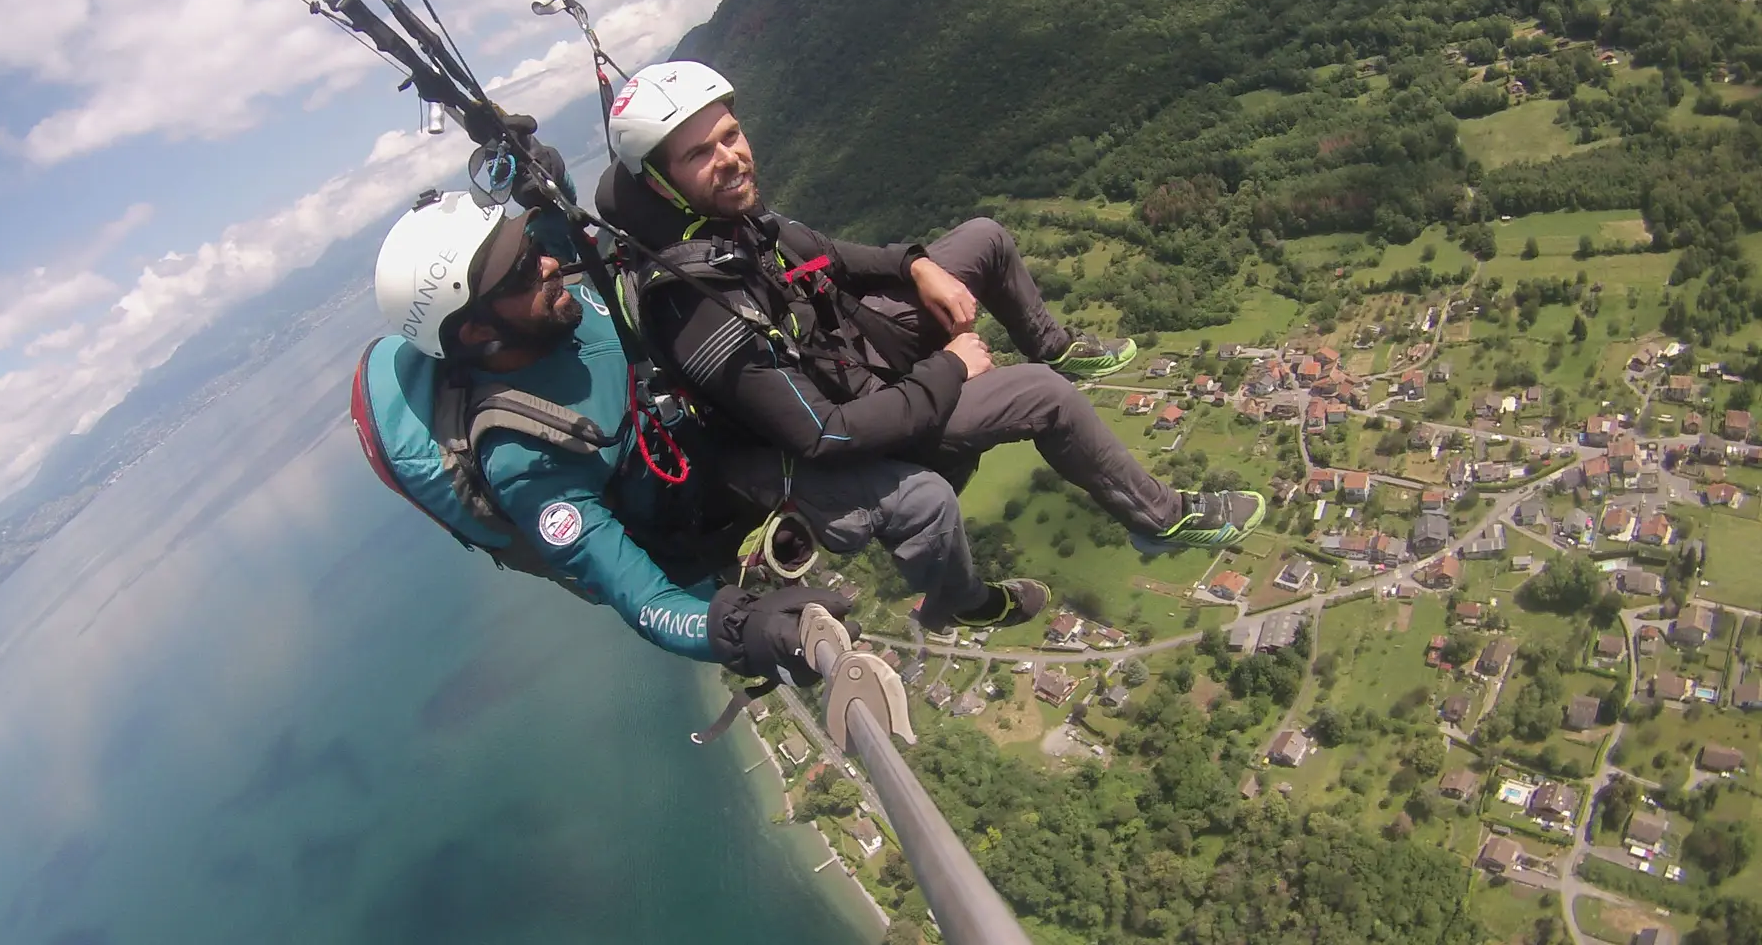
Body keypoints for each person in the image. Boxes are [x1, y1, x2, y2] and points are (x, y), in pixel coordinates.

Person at [367, 159, 1046, 689]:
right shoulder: (526, 454)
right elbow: (638, 595)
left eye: (527, 246)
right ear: (479, 329)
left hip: (723, 404)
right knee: (920, 499)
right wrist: (737, 627)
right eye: (521, 268)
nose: (545, 262)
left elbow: (563, 224)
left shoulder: (552, 295)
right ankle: (967, 599)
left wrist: (540, 176)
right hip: (710, 488)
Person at [596, 61, 1266, 553]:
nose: (731, 158)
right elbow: (821, 434)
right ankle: (1163, 518)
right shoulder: (695, 299)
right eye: (700, 153)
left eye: (731, 136)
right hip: (882, 421)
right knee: (1047, 396)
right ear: (660, 181)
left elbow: (843, 256)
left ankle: (1053, 342)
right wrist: (950, 366)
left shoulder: (737, 223)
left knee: (984, 239)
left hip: (868, 357)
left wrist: (919, 267)